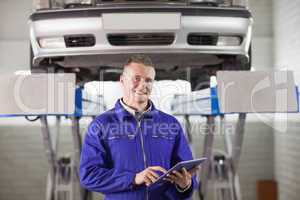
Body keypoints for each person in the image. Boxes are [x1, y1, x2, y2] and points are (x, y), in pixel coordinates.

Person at [79, 55, 198, 200]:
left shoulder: (170, 124)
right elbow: (89, 175)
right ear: (122, 81)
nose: (143, 85)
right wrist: (133, 179)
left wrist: (184, 185)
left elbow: (187, 173)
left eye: (148, 80)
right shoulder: (101, 125)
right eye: (136, 78)